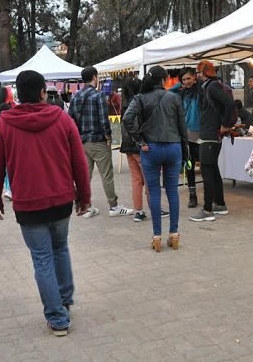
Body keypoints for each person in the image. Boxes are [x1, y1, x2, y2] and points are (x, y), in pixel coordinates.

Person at [0, 70, 91, 337]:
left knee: (42, 258)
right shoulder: (62, 118)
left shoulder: (4, 124)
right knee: (60, 248)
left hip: (28, 205)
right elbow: (79, 162)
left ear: (18, 95)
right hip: (61, 200)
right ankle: (63, 302)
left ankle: (57, 318)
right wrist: (84, 197)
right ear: (43, 92)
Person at [123, 66, 187, 252]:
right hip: (173, 147)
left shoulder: (140, 98)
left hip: (150, 148)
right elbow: (182, 126)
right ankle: (174, 234)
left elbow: (127, 119)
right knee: (172, 191)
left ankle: (157, 236)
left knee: (154, 191)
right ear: (165, 79)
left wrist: (139, 140)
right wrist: (184, 149)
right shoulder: (174, 97)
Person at [68, 66, 133, 217]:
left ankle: (86, 206)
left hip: (82, 142)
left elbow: (70, 120)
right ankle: (114, 206)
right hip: (97, 140)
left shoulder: (75, 96)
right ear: (94, 77)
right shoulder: (98, 96)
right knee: (106, 175)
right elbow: (104, 120)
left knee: (85, 176)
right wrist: (109, 137)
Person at [189, 60, 235, 222]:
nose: (197, 76)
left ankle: (207, 210)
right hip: (210, 133)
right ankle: (220, 204)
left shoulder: (212, 86)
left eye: (198, 72)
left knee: (207, 170)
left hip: (210, 134)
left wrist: (225, 125)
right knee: (213, 169)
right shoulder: (210, 86)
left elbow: (229, 103)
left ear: (203, 73)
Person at [170, 67, 202, 208]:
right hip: (186, 136)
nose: (186, 81)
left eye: (188, 78)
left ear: (195, 77)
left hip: (201, 134)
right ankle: (192, 195)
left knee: (206, 167)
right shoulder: (181, 93)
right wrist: (179, 85)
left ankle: (211, 195)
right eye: (183, 79)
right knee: (189, 166)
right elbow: (168, 92)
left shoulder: (200, 91)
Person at [119, 77, 148, 221]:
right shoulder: (138, 103)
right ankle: (154, 208)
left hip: (127, 146)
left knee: (136, 180)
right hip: (139, 146)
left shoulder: (124, 104)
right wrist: (141, 142)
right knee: (149, 179)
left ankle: (139, 211)